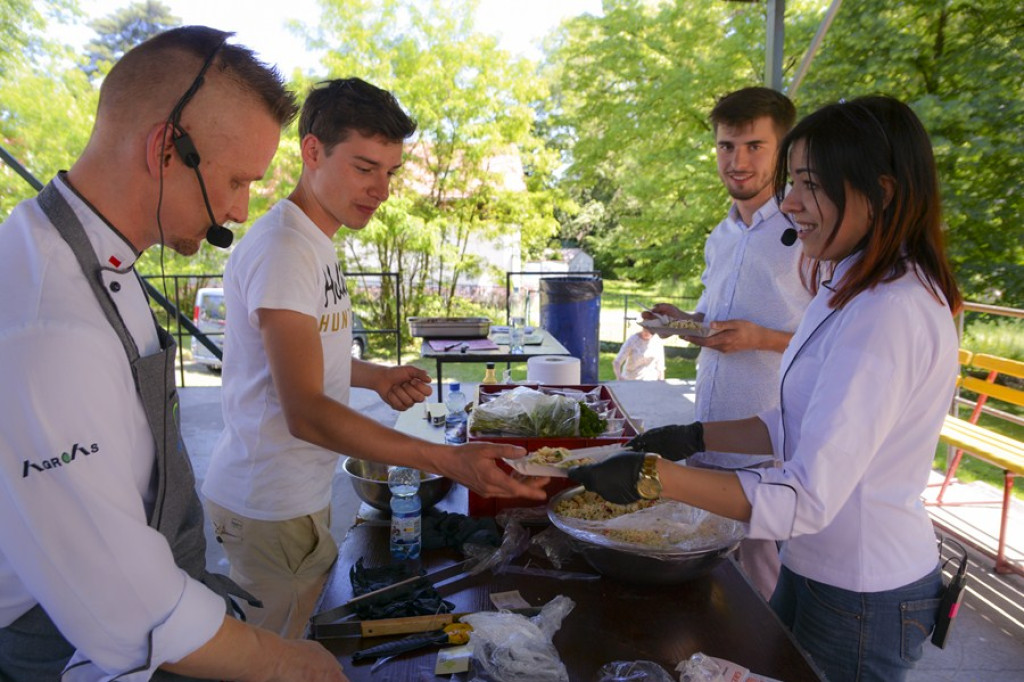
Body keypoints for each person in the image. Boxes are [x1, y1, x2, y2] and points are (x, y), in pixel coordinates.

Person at [570, 95, 962, 682]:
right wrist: (693, 434)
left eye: (809, 184)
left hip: (861, 589)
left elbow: (806, 495)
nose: (793, 202)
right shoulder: (846, 283)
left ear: (880, 191)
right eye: (792, 182)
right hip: (816, 568)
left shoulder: (891, 311)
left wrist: (652, 477)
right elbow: (793, 423)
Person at [0, 26, 348, 681]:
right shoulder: (49, 329)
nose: (242, 209)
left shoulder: (90, 253)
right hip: (60, 648)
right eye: (238, 181)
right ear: (166, 148)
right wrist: (289, 662)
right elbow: (122, 612)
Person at [201, 77, 546, 639]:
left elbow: (308, 355)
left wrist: (375, 376)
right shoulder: (286, 248)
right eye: (365, 168)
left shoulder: (317, 241)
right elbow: (306, 411)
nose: (381, 189)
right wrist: (448, 460)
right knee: (274, 661)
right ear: (312, 151)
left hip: (294, 493)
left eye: (390, 172)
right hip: (268, 500)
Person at [645, 87, 811, 599]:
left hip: (770, 439)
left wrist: (760, 338)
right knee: (706, 565)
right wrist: (683, 322)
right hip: (710, 426)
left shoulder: (808, 231)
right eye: (725, 146)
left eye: (754, 146)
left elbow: (833, 338)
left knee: (763, 582)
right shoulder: (721, 235)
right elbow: (715, 322)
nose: (737, 161)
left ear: (783, 152)